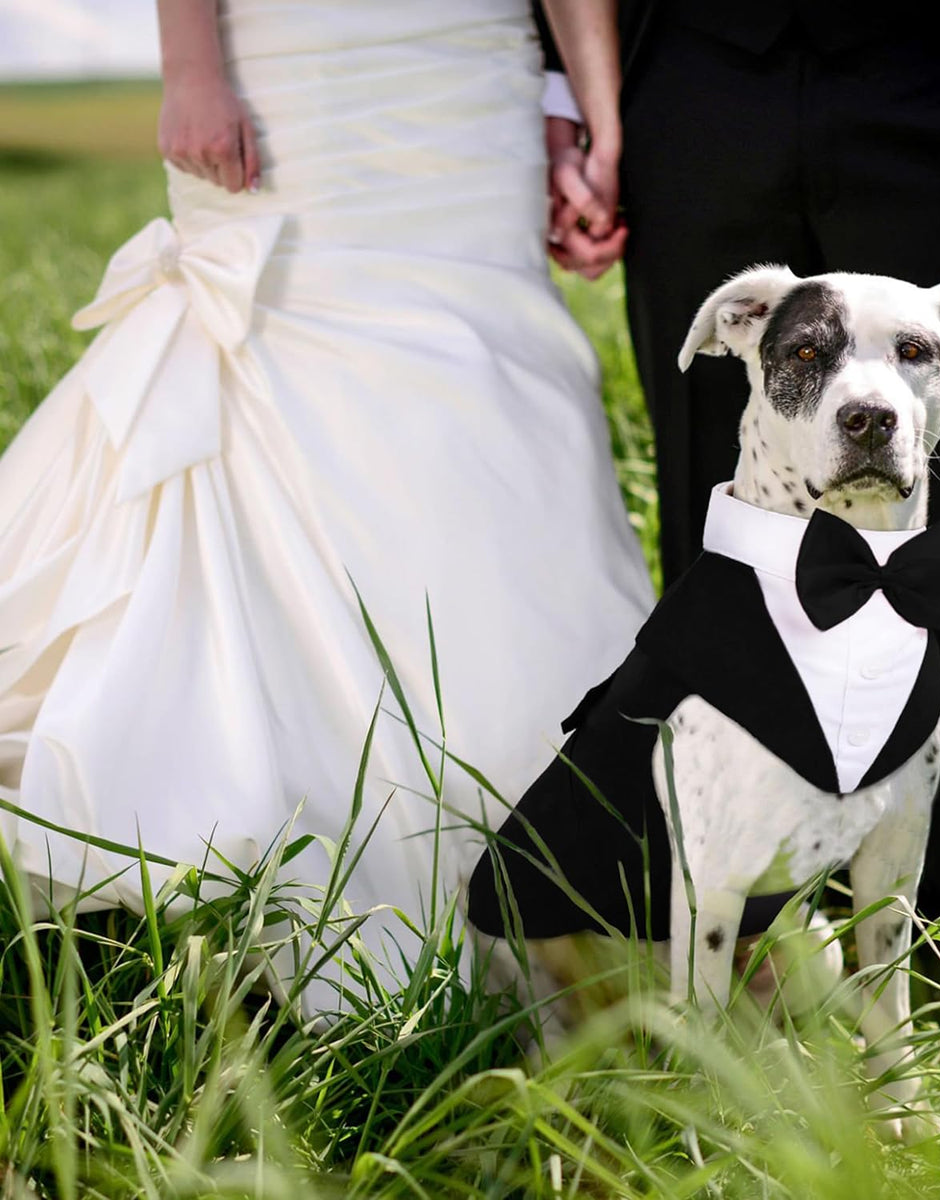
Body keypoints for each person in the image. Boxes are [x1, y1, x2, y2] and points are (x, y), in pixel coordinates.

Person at [0, 0, 653, 1014]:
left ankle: (565, 882)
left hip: (470, 83)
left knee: (492, 423)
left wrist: (595, 114)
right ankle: (268, 836)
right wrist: (191, 68)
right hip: (295, 66)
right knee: (292, 400)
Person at [540, 2, 940, 929]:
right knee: (713, 516)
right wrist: (572, 93)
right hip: (691, 91)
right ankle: (749, 927)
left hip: (930, 94)